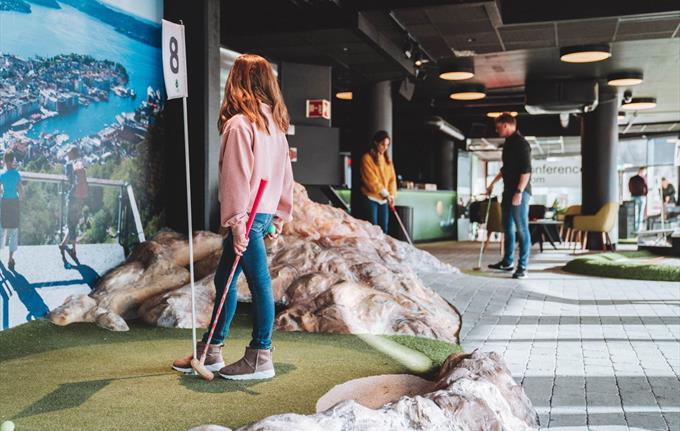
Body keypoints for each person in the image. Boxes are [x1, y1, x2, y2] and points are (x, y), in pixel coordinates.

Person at [172, 54, 294, 381]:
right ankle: (211, 350)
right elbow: (286, 178)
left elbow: (235, 179)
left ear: (236, 81)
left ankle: (260, 356)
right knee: (224, 281)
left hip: (248, 215)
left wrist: (238, 224)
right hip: (262, 213)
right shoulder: (274, 125)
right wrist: (278, 219)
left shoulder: (241, 124)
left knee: (259, 283)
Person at [486, 113, 532, 279]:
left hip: (520, 193)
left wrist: (519, 192)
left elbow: (526, 171)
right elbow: (505, 168)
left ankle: (523, 267)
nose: (497, 130)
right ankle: (508, 262)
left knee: (522, 228)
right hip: (507, 191)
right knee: (507, 227)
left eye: (498, 127)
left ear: (506, 125)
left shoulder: (522, 144)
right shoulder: (508, 144)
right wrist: (492, 183)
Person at [360, 130, 397, 233]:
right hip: (371, 198)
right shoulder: (367, 158)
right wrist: (385, 193)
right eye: (383, 144)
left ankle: (382, 249)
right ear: (376, 143)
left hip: (384, 200)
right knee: (373, 229)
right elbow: (371, 180)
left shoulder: (387, 160)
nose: (385, 147)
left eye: (387, 145)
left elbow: (392, 179)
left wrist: (391, 195)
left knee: (384, 229)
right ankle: (373, 250)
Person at [59, 145, 88, 260]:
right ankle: (63, 244)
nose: (67, 154)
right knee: (73, 223)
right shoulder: (80, 163)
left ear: (71, 154)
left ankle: (74, 251)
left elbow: (70, 181)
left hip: (72, 197)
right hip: (80, 198)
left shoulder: (69, 165)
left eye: (68, 152)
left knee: (69, 223)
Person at [0, 151, 23, 270]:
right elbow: (20, 191)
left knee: (1, 229)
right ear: (13, 160)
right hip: (14, 203)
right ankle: (10, 259)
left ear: (4, 160)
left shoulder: (1, 175)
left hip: (4, 203)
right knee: (14, 231)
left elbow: (0, 191)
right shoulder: (17, 174)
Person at [628, 167, 648, 233]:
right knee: (640, 213)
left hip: (634, 197)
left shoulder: (632, 179)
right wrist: (644, 194)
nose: (645, 174)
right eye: (644, 172)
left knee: (635, 213)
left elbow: (629, 187)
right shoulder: (642, 179)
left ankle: (635, 229)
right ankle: (638, 229)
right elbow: (646, 188)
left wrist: (632, 193)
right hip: (641, 197)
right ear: (642, 171)